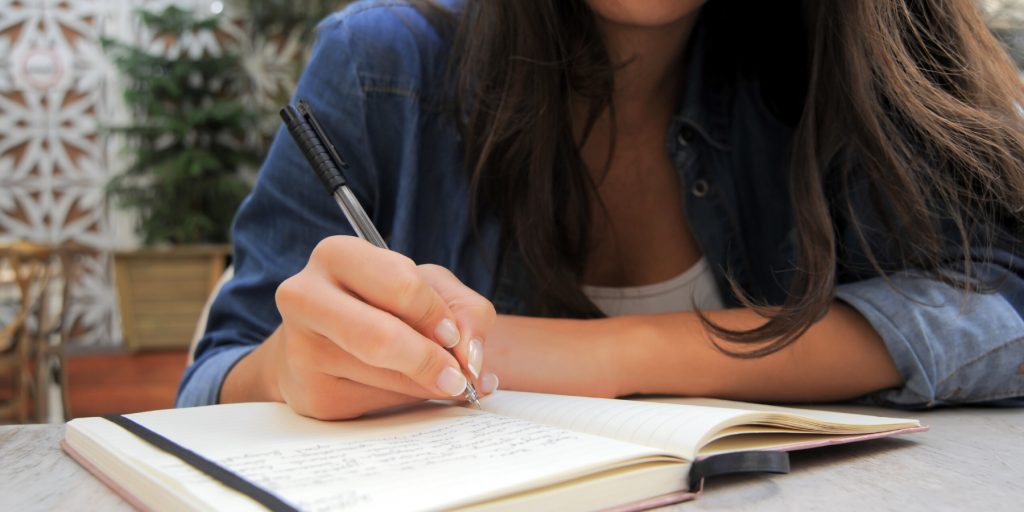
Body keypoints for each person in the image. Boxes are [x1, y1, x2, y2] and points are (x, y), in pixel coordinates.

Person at [177, 0, 1024, 419]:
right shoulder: (382, 70)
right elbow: (211, 385)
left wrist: (612, 356)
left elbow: (1002, 303)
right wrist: (286, 372)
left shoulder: (843, 60)